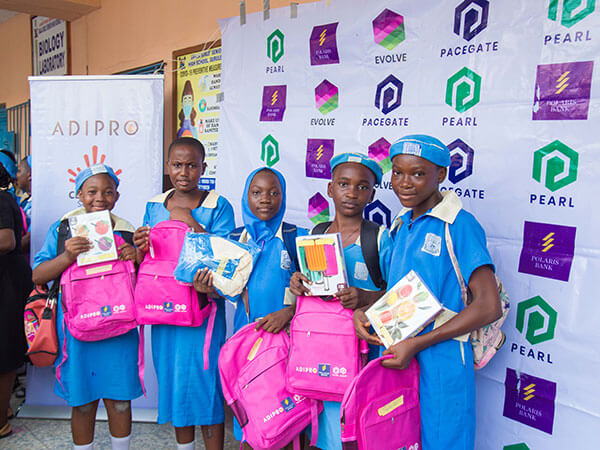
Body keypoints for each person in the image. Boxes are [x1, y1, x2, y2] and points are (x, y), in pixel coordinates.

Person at [354, 134, 502, 449]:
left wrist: (417, 344)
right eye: (398, 172)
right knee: (395, 439)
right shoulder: (400, 224)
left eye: (418, 174)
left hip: (442, 358)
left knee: (442, 440)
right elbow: (398, 294)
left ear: (441, 175)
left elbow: (488, 306)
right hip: (398, 355)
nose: (405, 183)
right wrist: (365, 313)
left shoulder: (459, 225)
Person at [133, 137, 234, 450]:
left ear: (203, 167)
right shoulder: (154, 205)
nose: (184, 172)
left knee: (205, 386)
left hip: (201, 315)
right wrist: (140, 247)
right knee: (175, 384)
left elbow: (224, 259)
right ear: (167, 167)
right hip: (162, 311)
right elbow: (148, 261)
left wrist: (189, 222)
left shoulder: (218, 206)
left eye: (192, 165)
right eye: (177, 165)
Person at [32, 164, 142, 450]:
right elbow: (38, 275)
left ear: (117, 196)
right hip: (77, 332)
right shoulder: (63, 229)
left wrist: (137, 257)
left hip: (120, 329)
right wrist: (67, 256)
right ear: (79, 194)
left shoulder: (127, 230)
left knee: (119, 402)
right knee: (82, 403)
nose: (99, 198)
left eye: (108, 192)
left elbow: (145, 284)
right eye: (91, 191)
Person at [290, 152, 392, 450]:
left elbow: (399, 295)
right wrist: (298, 283)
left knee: (360, 426)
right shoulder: (316, 234)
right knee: (326, 428)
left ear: (372, 194)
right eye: (344, 184)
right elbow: (312, 287)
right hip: (322, 350)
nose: (352, 192)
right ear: (330, 189)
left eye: (362, 186)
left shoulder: (379, 238)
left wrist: (364, 297)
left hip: (363, 354)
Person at [225, 167, 308, 446]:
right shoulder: (234, 240)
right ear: (246, 195)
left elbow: (317, 290)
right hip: (247, 343)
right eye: (257, 192)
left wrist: (288, 312)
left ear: (283, 196)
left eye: (274, 192)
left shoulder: (297, 237)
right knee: (251, 412)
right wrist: (205, 284)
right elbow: (224, 288)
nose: (266, 199)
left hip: (289, 345)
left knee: (287, 414)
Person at [0, 163, 32, 439]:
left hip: (6, 285)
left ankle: (2, 420)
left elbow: (6, 240)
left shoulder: (0, 199)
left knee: (4, 353)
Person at [15, 156, 32, 252]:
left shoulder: (37, 207)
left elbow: (30, 238)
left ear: (30, 176)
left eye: (19, 170)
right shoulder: (26, 202)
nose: (16, 175)